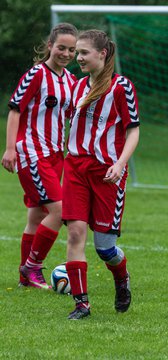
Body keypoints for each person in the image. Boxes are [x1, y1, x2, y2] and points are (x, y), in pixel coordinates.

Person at [62, 29, 140, 320]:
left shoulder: (121, 87)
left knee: (105, 248)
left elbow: (134, 130)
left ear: (102, 54)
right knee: (75, 233)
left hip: (108, 172)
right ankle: (82, 304)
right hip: (76, 168)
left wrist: (120, 164)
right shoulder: (77, 87)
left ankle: (122, 279)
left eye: (83, 52)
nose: (77, 57)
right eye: (76, 52)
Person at [1, 23, 78, 289]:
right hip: (32, 152)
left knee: (36, 215)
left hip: (56, 154)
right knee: (59, 210)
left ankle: (26, 278)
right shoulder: (35, 74)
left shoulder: (70, 81)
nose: (66, 54)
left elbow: (69, 117)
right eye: (61, 48)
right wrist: (10, 148)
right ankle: (32, 268)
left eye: (71, 50)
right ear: (49, 46)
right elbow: (15, 110)